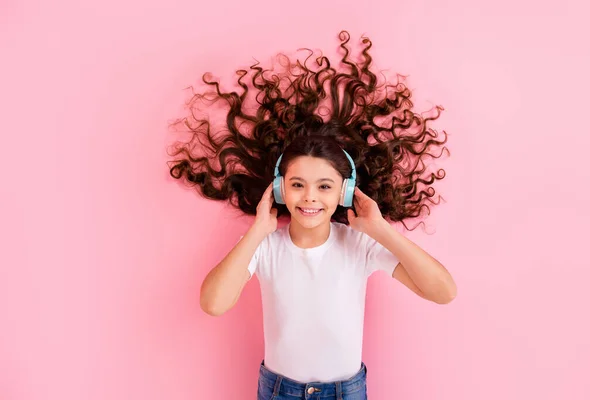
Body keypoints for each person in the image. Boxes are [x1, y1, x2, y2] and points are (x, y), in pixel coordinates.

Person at [168, 30, 457, 400]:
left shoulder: (361, 245)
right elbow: (213, 304)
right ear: (280, 188)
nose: (310, 197)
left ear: (345, 191)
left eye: (324, 186)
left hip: (346, 392)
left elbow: (443, 292)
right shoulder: (264, 245)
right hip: (278, 391)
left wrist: (380, 229)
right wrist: (258, 230)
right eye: (298, 184)